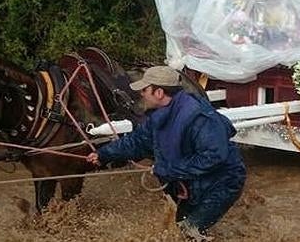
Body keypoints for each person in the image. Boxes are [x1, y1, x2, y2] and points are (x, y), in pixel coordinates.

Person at [87, 66, 246, 239]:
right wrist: (103, 154)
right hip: (194, 183)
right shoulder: (159, 116)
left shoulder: (199, 117)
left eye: (145, 89)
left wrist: (167, 169)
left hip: (222, 183)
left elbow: (214, 157)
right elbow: (137, 141)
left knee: (188, 230)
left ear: (159, 92)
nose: (141, 93)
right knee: (180, 227)